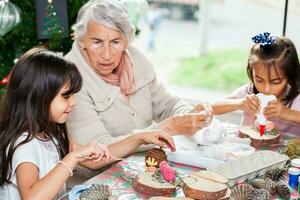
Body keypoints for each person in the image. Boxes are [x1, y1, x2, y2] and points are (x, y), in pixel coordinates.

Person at [0, 47, 176, 200]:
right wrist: (71, 158)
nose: (74, 102)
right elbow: (32, 197)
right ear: (38, 96)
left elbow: (94, 161)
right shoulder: (24, 144)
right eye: (66, 95)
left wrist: (139, 138)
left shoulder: (51, 134)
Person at [65, 0, 211, 150]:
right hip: (99, 173)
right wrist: (166, 129)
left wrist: (189, 116)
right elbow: (96, 150)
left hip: (141, 164)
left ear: (126, 41)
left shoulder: (135, 58)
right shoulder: (70, 78)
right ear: (82, 41)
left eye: (115, 42)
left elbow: (166, 104)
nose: (107, 55)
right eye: (97, 42)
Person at [212, 33, 300, 137]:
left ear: (290, 76)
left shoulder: (297, 97)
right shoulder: (249, 91)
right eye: (259, 80)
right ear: (251, 73)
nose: (266, 89)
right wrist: (240, 103)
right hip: (248, 149)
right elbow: (212, 108)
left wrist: (286, 113)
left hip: (285, 152)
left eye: (276, 82)